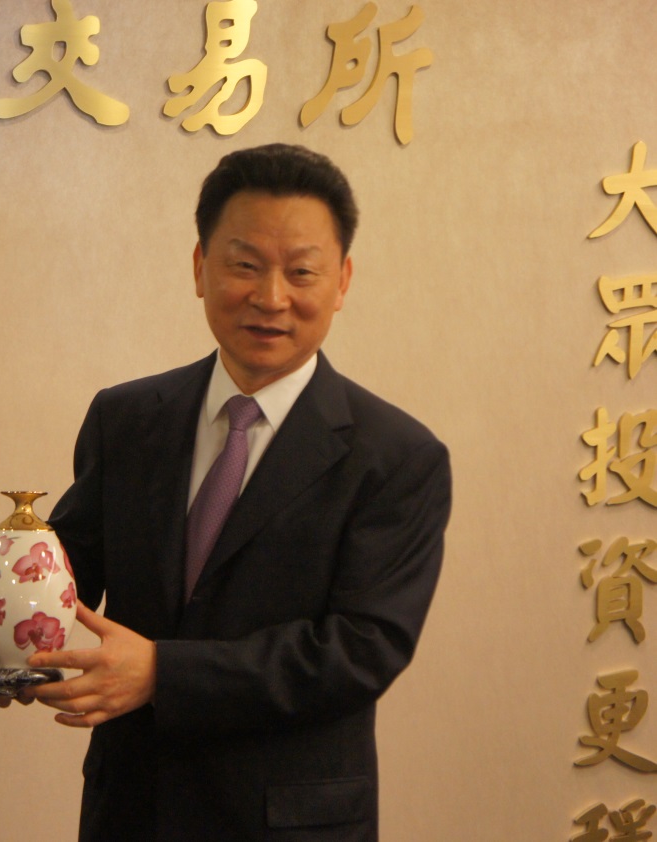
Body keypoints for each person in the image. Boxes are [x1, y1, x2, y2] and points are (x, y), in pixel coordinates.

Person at [25, 143, 452, 841]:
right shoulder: (126, 418)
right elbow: (67, 570)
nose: (271, 297)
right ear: (200, 267)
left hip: (289, 824)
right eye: (245, 265)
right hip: (132, 811)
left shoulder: (397, 457)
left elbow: (361, 649)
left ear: (342, 281)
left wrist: (164, 672)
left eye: (301, 271)